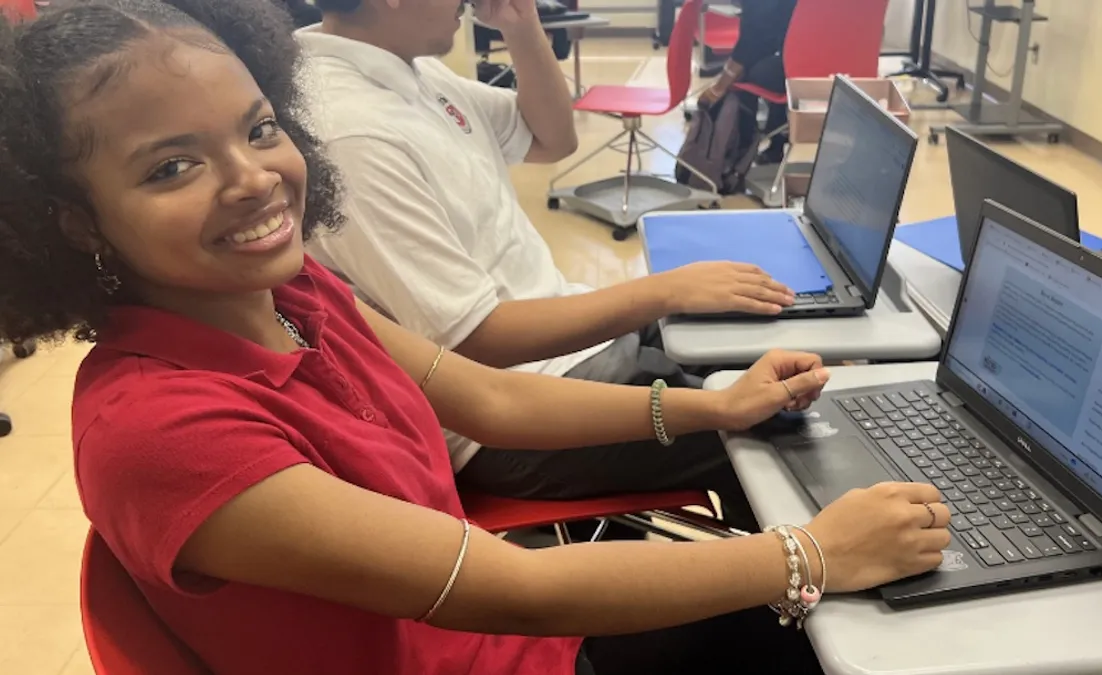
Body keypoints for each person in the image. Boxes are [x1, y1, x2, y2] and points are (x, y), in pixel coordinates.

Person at [0, 1, 952, 672]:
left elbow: (487, 397)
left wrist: (716, 402)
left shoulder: (295, 291)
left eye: (258, 130)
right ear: (75, 220)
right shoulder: (162, 428)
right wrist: (809, 556)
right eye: (172, 167)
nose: (252, 179)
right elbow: (510, 588)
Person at [295, 0, 796, 525]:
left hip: (566, 349)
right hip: (516, 417)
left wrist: (522, 25)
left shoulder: (410, 71)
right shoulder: (352, 135)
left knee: (752, 345)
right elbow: (474, 341)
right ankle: (779, 594)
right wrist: (664, 292)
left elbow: (554, 138)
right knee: (778, 439)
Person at [698, 0, 797, 165]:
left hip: (799, 65)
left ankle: (741, 152)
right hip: (844, 70)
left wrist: (721, 85)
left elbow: (753, 42)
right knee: (772, 66)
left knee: (747, 73)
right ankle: (774, 144)